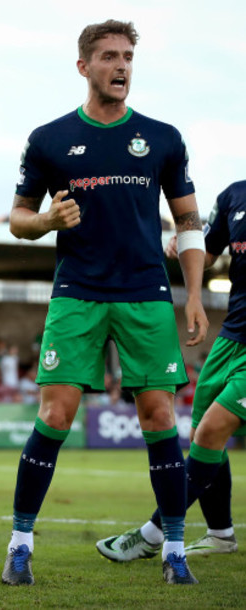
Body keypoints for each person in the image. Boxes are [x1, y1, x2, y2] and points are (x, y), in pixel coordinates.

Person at [1, 19, 208, 587]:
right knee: (55, 414)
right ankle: (20, 544)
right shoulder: (49, 139)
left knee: (160, 416)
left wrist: (192, 294)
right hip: (78, 292)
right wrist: (45, 220)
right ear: (84, 66)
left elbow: (189, 221)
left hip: (146, 293)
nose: (121, 67)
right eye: (110, 57)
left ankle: (173, 549)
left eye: (128, 58)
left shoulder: (162, 138)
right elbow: (19, 218)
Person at [96, 180, 246, 561]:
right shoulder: (235, 195)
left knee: (212, 430)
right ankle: (221, 534)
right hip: (232, 337)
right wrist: (185, 246)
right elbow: (209, 252)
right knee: (200, 435)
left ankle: (151, 533)